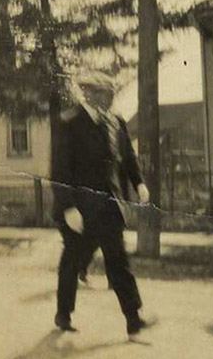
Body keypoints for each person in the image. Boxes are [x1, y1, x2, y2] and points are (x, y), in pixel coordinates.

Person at [51, 73, 153, 337]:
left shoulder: (116, 122)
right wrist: (68, 207)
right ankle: (63, 313)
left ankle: (134, 317)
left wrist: (139, 183)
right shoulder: (68, 122)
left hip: (109, 206)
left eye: (112, 93)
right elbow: (59, 170)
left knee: (118, 260)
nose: (111, 98)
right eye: (106, 93)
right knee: (72, 262)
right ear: (89, 94)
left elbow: (128, 157)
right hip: (79, 210)